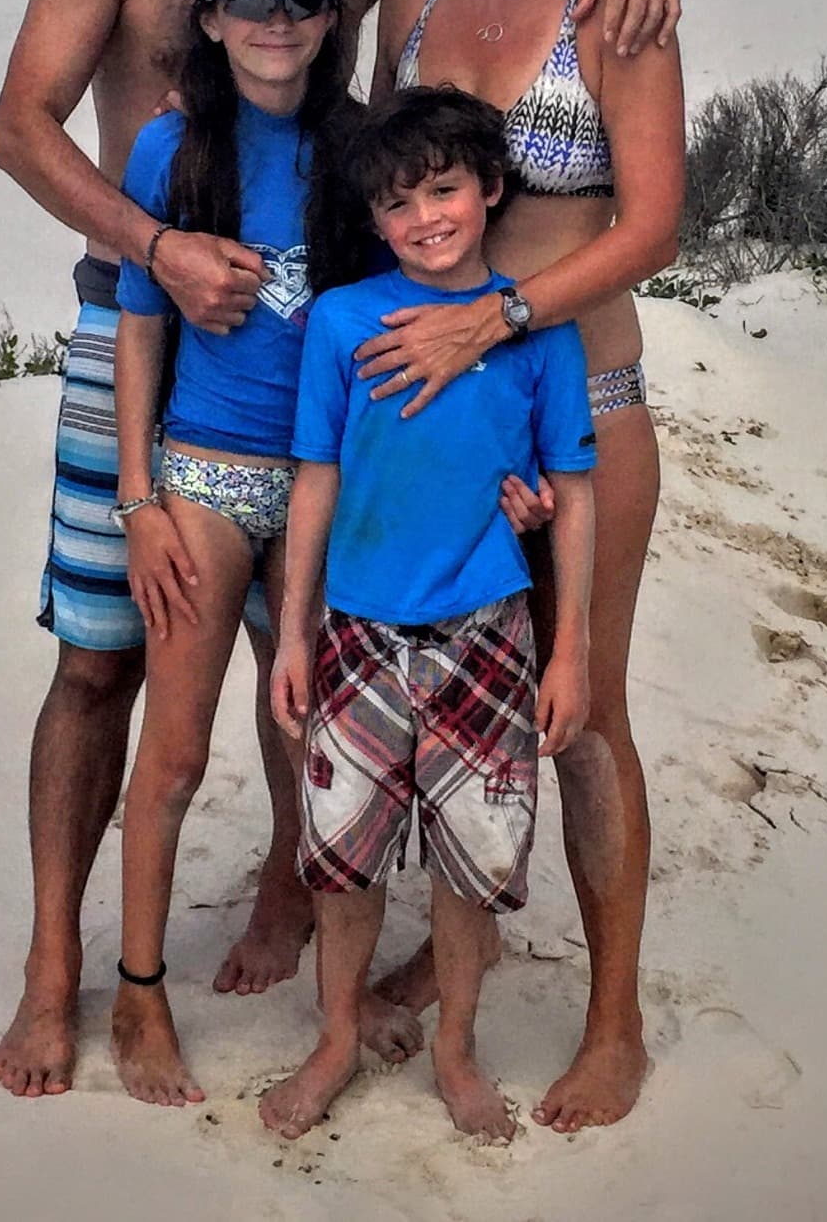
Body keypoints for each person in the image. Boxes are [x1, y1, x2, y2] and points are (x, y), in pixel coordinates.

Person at [0, 0, 679, 1098]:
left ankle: (333, 907)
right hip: (160, 348)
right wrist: (156, 249)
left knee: (393, 673)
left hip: (425, 386)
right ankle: (69, 972)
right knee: (106, 665)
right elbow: (22, 129)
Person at [365, 0, 686, 1132]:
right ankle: (458, 954)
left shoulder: (621, 5)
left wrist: (495, 316)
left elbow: (652, 224)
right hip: (442, 409)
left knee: (582, 715)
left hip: (581, 407)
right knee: (445, 692)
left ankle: (615, 1022)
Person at [264, 88, 596, 1142]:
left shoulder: (540, 330)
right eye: (399, 203)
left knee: (471, 865)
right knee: (344, 858)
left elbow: (569, 489)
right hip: (355, 630)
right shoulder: (342, 319)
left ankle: (455, 1047)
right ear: (373, 218)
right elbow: (313, 474)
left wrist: (571, 644)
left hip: (488, 632)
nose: (426, 218)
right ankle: (334, 1036)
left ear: (491, 188)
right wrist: (292, 629)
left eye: (446, 189)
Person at [109, 0, 374, 1105]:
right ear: (211, 17)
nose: (278, 23)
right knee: (169, 755)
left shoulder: (364, 154)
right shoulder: (170, 151)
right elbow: (140, 325)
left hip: (322, 481)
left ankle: (304, 930)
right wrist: (139, 498)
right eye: (252, 2)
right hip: (206, 475)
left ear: (332, 15)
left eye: (303, 0)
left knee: (310, 742)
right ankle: (139, 984)